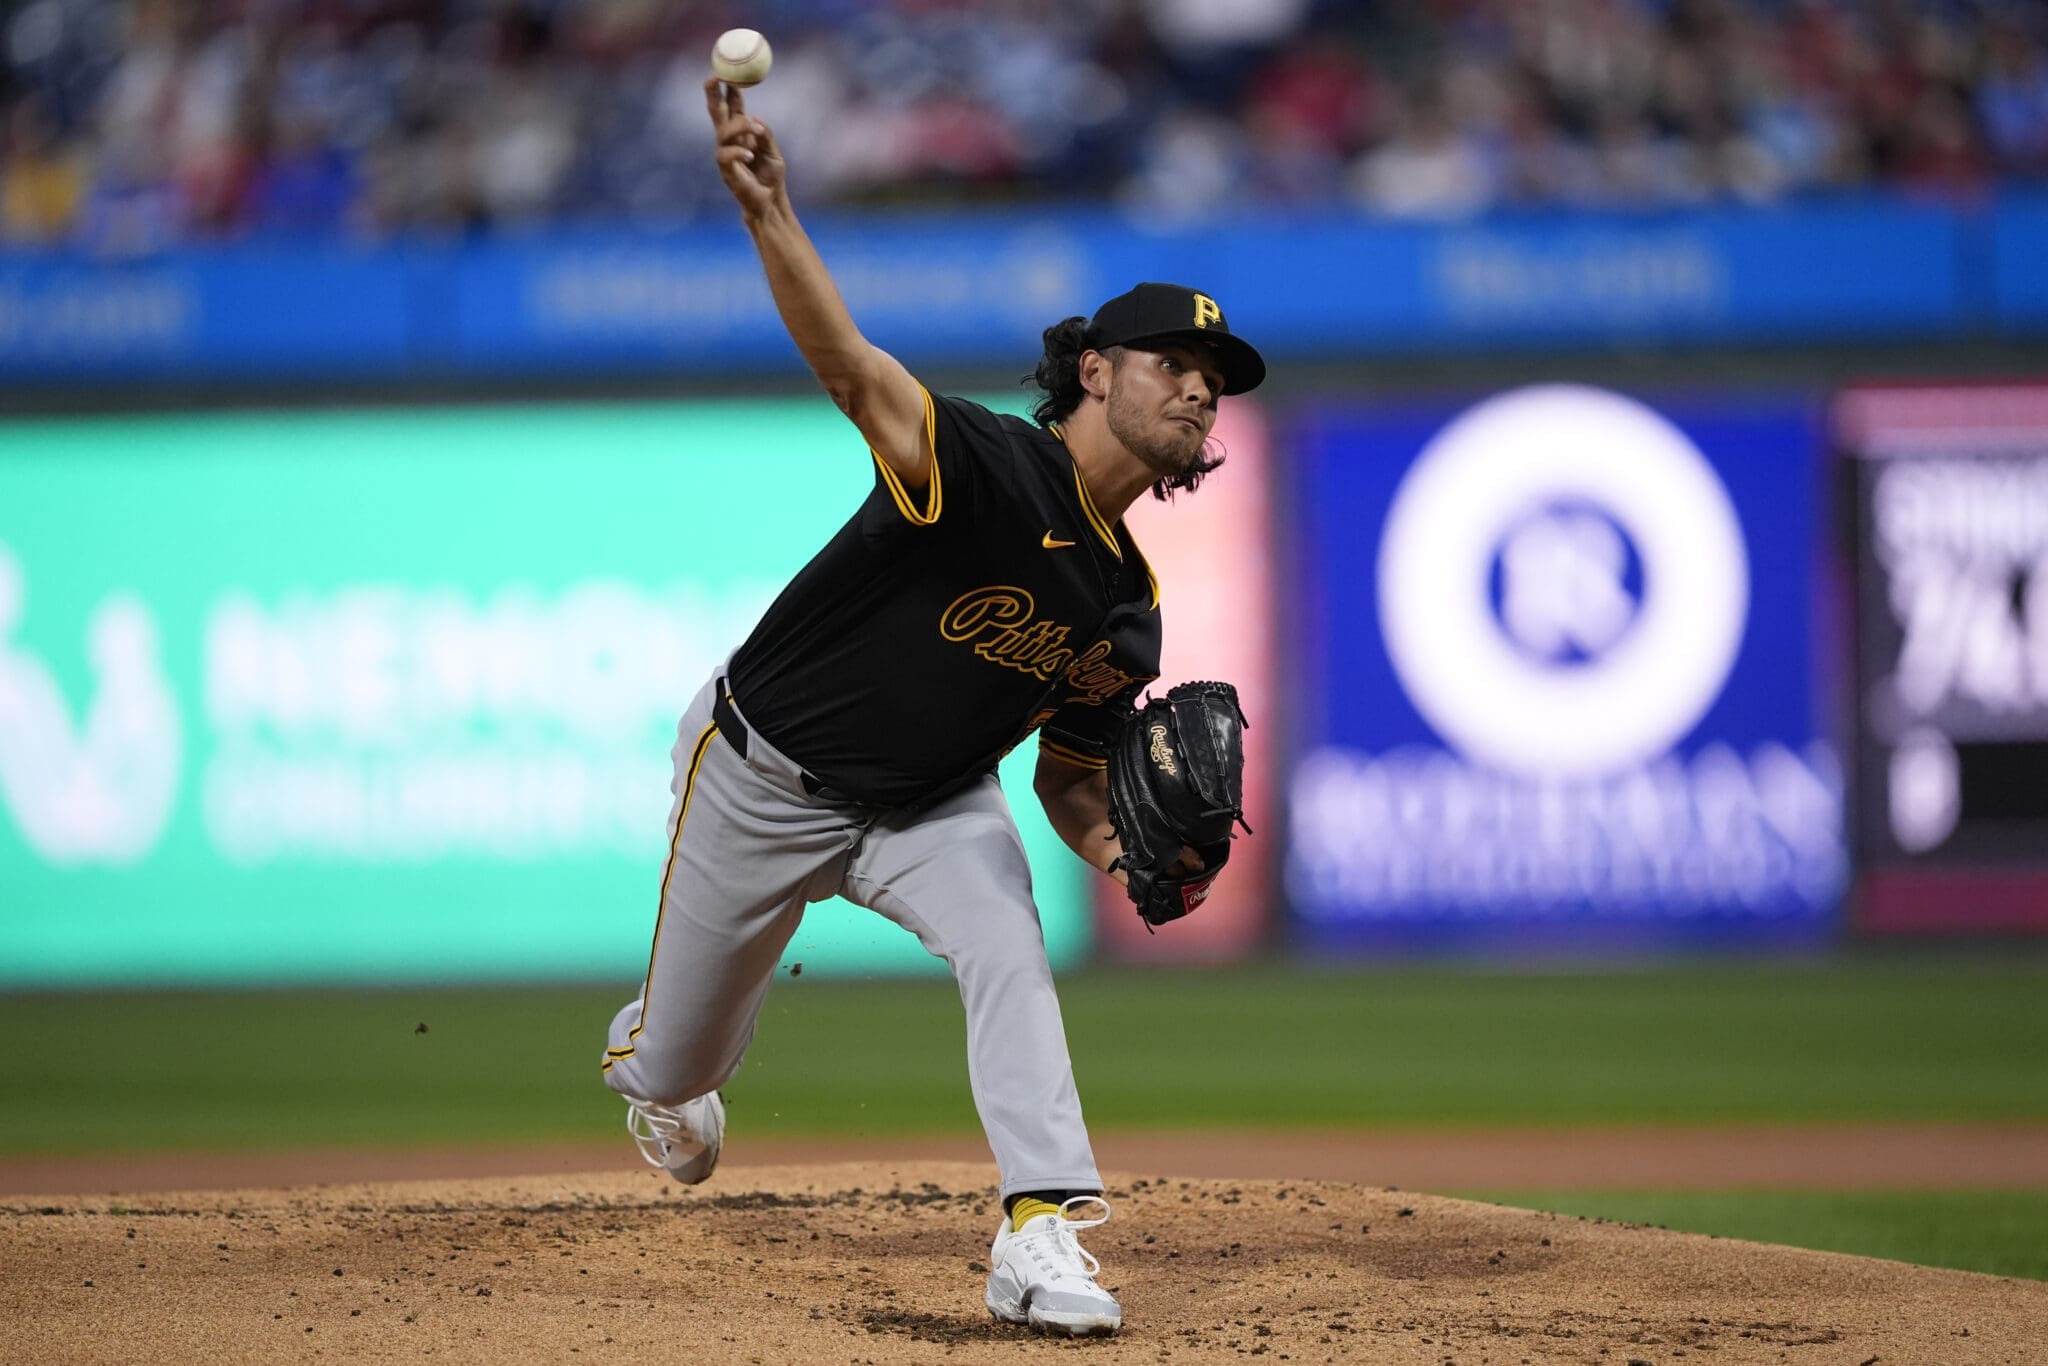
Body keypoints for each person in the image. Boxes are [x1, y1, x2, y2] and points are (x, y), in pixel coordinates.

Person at [598, 74, 1267, 1338]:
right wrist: (771, 216)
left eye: (1212, 379)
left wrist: (1124, 851)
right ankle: (664, 1052)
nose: (1196, 389)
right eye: (1170, 362)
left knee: (1006, 933)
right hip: (757, 773)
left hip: (926, 805)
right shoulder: (980, 460)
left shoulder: (1127, 606)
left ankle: (1037, 1231)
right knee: (675, 1086)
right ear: (1091, 368)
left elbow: (1068, 779)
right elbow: (852, 372)